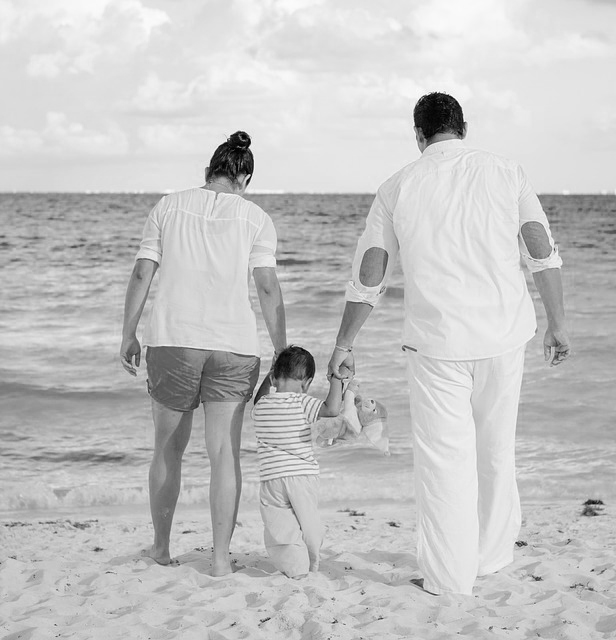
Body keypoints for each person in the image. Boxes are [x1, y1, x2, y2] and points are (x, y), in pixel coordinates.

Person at [328, 93, 571, 596]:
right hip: (504, 336)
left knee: (443, 460)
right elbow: (540, 249)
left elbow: (371, 269)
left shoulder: (397, 186)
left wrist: (344, 341)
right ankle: (491, 556)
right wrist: (558, 323)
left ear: (418, 136)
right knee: (495, 449)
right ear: (464, 128)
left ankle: (449, 577)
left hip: (437, 345)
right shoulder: (507, 172)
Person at [119, 131, 287, 576]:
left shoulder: (167, 206)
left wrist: (128, 333)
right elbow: (267, 287)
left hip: (174, 340)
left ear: (208, 171)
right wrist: (281, 349)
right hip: (233, 346)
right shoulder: (256, 219)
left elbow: (141, 274)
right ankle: (218, 560)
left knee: (168, 451)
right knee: (224, 455)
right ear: (244, 178)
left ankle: (160, 548)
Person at [251, 346, 343, 577]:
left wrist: (269, 373)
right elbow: (332, 410)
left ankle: (295, 567)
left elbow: (258, 397)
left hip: (271, 478)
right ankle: (312, 557)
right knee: (308, 520)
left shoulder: (261, 406)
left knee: (279, 524)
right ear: (307, 383)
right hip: (302, 475)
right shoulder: (303, 402)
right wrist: (336, 380)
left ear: (273, 377)